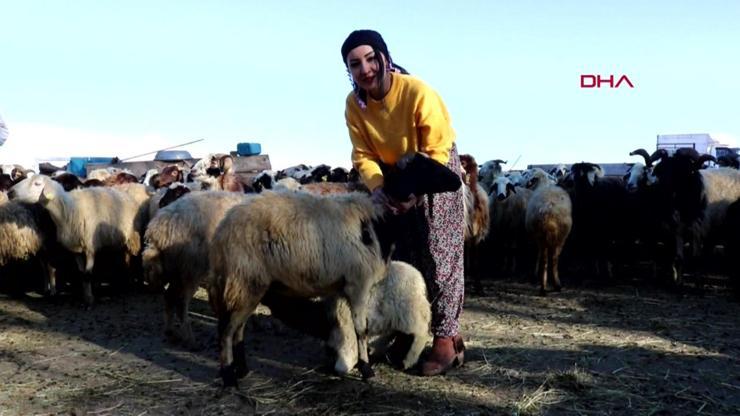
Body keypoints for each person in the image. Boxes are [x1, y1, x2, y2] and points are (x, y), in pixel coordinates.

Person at [341, 29, 466, 376]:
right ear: (348, 70)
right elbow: (362, 153)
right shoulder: (355, 105)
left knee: (439, 254)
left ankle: (447, 340)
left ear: (385, 57)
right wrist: (379, 188)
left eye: (370, 59)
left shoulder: (416, 91)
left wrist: (416, 191)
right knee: (403, 257)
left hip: (432, 169)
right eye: (355, 64)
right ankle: (409, 329)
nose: (365, 69)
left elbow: (437, 147)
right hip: (392, 173)